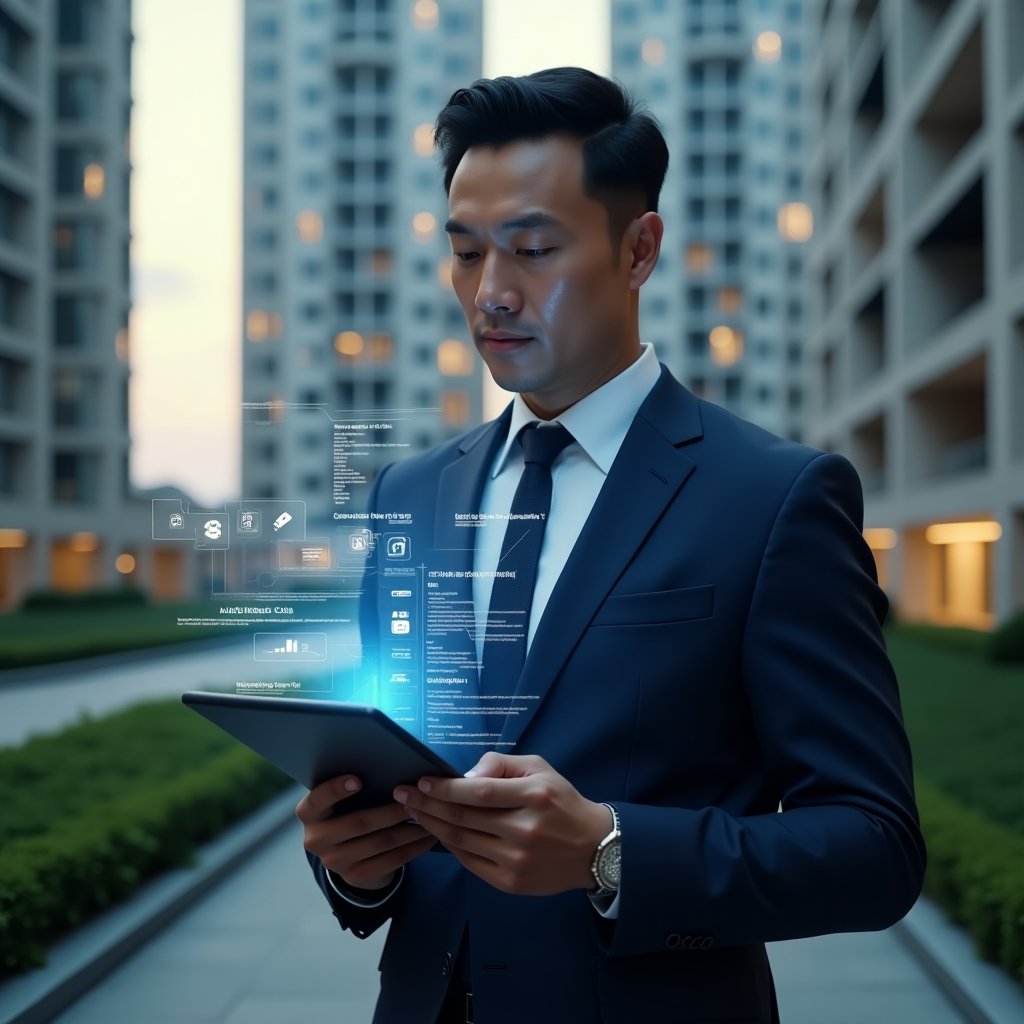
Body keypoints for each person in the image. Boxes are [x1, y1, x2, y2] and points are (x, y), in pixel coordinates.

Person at [297, 67, 925, 1024]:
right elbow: (392, 774)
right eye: (466, 254)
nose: (491, 294)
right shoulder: (410, 495)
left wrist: (609, 853)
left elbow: (875, 848)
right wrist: (356, 865)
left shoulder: (774, 498)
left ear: (640, 250)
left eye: (534, 249)